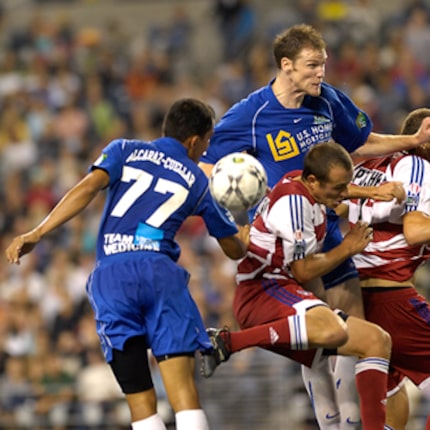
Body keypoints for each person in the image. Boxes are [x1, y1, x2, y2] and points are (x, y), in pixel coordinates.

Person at [198, 23, 429, 428]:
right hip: (289, 238)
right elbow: (207, 169)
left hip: (331, 229)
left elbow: (361, 142)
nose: (320, 72)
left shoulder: (328, 100)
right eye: (311, 65)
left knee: (353, 335)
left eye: (323, 64)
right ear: (286, 66)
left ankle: (352, 424)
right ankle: (333, 423)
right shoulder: (250, 115)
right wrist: (235, 223)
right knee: (319, 341)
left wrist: (410, 142)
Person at [5, 98, 249, 430]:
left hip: (113, 279)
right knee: (184, 397)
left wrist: (38, 232)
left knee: (142, 407)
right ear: (195, 141)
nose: (206, 149)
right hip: (160, 274)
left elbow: (87, 187)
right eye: (207, 142)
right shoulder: (198, 180)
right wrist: (244, 233)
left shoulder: (123, 149)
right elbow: (233, 250)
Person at [201, 141, 392, 430]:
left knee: (376, 341)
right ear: (313, 181)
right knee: (331, 330)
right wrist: (347, 248)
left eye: (346, 186)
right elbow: (302, 270)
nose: (343, 195)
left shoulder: (300, 181)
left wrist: (371, 192)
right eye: (339, 188)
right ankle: (228, 343)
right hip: (262, 289)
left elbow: (335, 192)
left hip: (284, 288)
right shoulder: (294, 202)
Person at [340, 107, 430, 430]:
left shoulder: (371, 167)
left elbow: (338, 203)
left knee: (393, 399)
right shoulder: (418, 165)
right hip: (392, 301)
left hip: (358, 300)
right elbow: (416, 231)